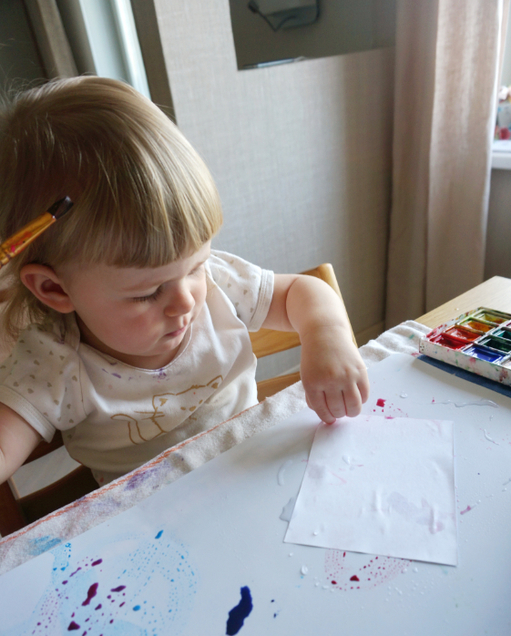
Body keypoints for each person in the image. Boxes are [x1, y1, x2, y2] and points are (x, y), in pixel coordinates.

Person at [0, 77, 369, 487]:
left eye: (196, 266)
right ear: (54, 289)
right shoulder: (53, 362)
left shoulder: (217, 284)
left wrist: (326, 335)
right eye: (147, 293)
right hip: (152, 515)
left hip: (256, 474)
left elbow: (303, 291)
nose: (186, 301)